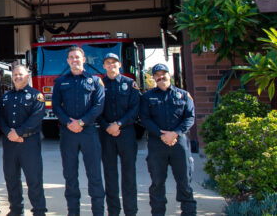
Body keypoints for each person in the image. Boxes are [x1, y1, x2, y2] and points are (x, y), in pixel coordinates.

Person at [51, 45, 106, 216]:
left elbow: (98, 106)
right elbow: (55, 106)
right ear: (68, 61)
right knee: (70, 176)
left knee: (95, 176)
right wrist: (68, 122)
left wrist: (81, 122)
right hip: (68, 134)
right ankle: (73, 212)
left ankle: (98, 212)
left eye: (78, 57)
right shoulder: (60, 82)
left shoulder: (95, 81)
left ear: (84, 59)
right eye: (71, 57)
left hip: (89, 132)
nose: (75, 60)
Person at [139, 63, 196, 216]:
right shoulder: (147, 97)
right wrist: (161, 134)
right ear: (154, 77)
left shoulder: (183, 95)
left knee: (185, 183)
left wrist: (175, 133)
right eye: (157, 74)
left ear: (169, 74)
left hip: (179, 144)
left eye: (163, 73)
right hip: (157, 144)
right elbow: (144, 118)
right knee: (157, 183)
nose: (160, 76)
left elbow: (190, 117)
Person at [0, 64, 47, 216]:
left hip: (29, 144)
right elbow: (0, 118)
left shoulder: (36, 95)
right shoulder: (6, 97)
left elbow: (36, 117)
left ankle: (39, 211)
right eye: (15, 75)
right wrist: (8, 133)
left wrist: (18, 133)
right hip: (10, 144)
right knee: (11, 179)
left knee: (34, 180)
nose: (17, 77)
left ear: (27, 76)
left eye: (20, 74)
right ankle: (16, 210)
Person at [98, 53, 140, 216]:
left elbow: (135, 108)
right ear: (104, 66)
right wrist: (107, 126)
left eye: (114, 62)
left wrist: (119, 124)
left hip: (126, 133)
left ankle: (131, 211)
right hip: (106, 133)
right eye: (108, 63)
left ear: (120, 64)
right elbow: (96, 107)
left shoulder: (130, 84)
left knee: (129, 174)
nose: (111, 65)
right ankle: (113, 211)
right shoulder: (99, 84)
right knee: (110, 175)